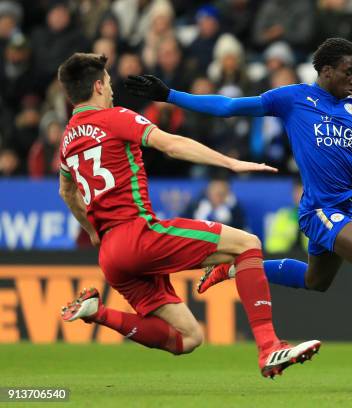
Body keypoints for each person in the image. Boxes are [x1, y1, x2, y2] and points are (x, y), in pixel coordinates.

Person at [126, 37, 352, 381]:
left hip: (342, 211)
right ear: (326, 71)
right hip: (320, 211)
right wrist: (170, 96)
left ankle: (237, 269)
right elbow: (228, 106)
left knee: (316, 281)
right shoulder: (293, 99)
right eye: (349, 72)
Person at [57, 53, 320, 378]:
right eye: (109, 83)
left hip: (111, 256)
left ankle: (98, 312)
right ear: (98, 85)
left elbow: (67, 193)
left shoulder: (67, 141)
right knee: (247, 243)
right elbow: (171, 144)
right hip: (138, 234)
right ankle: (269, 347)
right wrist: (231, 163)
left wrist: (93, 230)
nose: (111, 90)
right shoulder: (115, 117)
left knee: (188, 338)